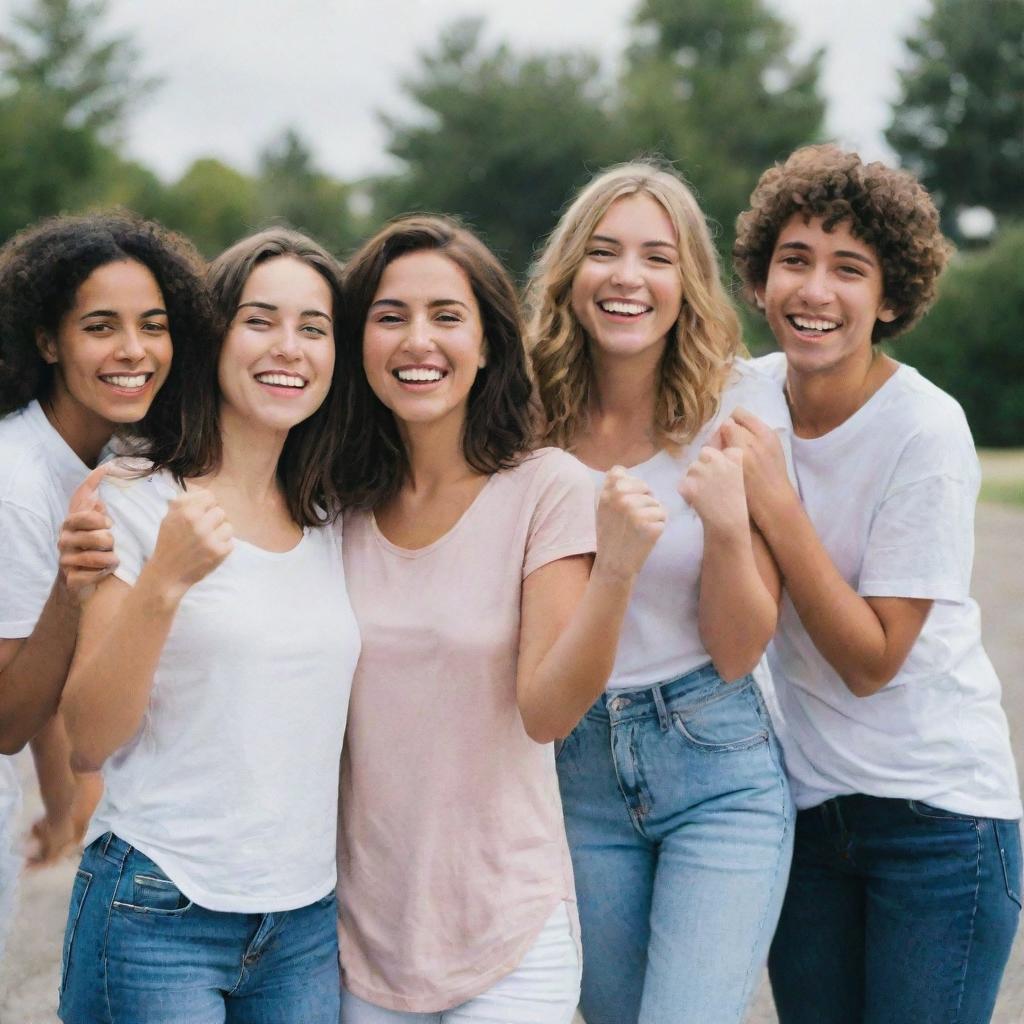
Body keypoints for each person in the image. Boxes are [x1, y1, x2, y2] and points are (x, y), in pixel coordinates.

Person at [334, 215, 665, 1023]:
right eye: (390, 316)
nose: (419, 340)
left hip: (508, 930)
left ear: (486, 345)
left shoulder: (545, 488)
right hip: (356, 935)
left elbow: (548, 711)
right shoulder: (329, 504)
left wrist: (616, 571)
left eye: (447, 316)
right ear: (357, 343)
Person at [727, 143, 1023, 1023]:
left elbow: (872, 660)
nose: (816, 290)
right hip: (808, 813)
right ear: (758, 280)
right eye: (795, 261)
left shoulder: (926, 430)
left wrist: (778, 504)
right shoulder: (739, 396)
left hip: (939, 822)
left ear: (889, 297)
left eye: (848, 269)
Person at [56, 229, 360, 1024]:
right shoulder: (131, 496)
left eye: (314, 328)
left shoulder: (335, 517)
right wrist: (163, 579)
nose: (287, 348)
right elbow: (88, 737)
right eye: (260, 320)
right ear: (214, 334)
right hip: (159, 907)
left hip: (302, 921)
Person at [525, 161, 794, 1024]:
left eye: (657, 257)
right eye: (604, 253)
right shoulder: (520, 416)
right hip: (572, 771)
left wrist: (722, 526)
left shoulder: (739, 405)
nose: (628, 278)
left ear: (689, 283)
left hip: (716, 762)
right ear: (570, 275)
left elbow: (740, 648)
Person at [0, 211, 208, 955]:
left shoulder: (111, 458)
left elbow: (52, 666)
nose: (134, 351)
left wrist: (64, 809)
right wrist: (71, 586)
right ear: (48, 340)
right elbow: (9, 718)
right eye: (100, 327)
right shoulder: (18, 480)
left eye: (153, 325)